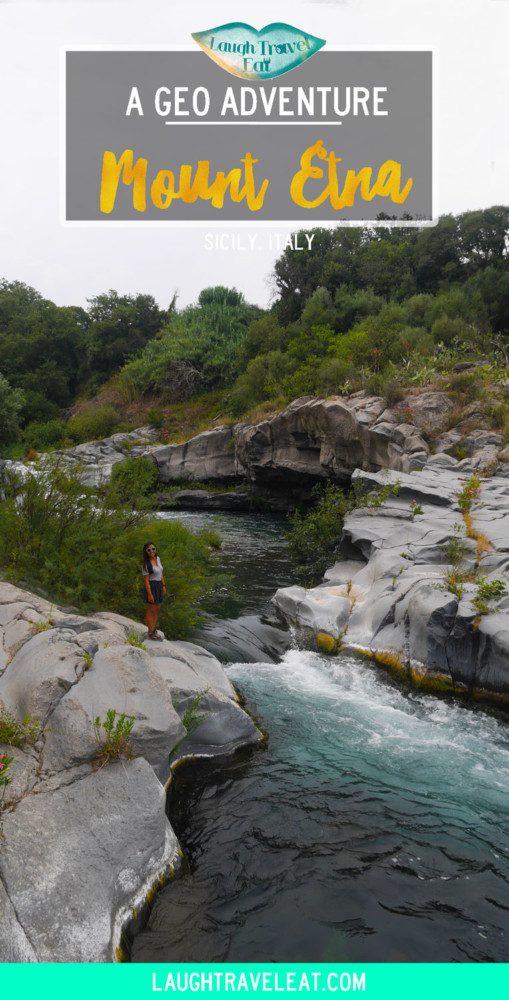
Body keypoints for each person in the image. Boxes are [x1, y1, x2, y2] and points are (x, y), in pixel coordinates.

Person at [142, 541, 166, 640]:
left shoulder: (158, 559)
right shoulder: (146, 565)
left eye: (153, 549)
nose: (152, 551)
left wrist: (163, 585)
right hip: (151, 586)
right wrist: (149, 594)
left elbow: (161, 573)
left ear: (156, 549)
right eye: (149, 550)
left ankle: (153, 629)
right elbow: (146, 581)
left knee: (156, 609)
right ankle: (150, 632)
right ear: (146, 552)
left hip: (158, 585)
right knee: (150, 610)